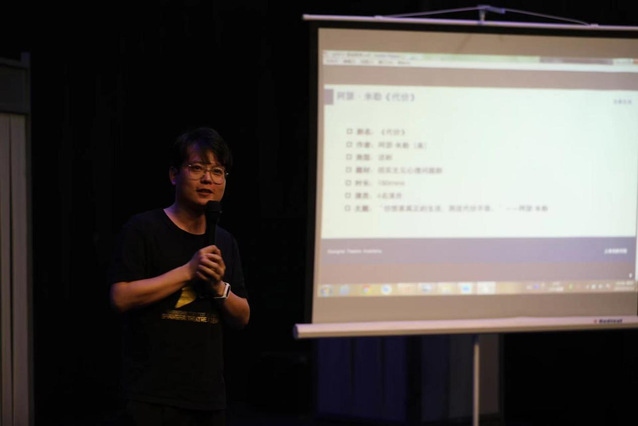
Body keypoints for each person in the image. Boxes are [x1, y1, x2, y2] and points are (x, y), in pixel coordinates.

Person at [109, 127, 250, 426]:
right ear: (174, 174)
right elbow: (120, 297)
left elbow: (242, 316)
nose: (208, 179)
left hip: (208, 399)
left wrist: (217, 287)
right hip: (151, 396)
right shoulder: (143, 228)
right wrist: (188, 271)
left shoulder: (225, 241)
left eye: (217, 171)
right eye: (197, 168)